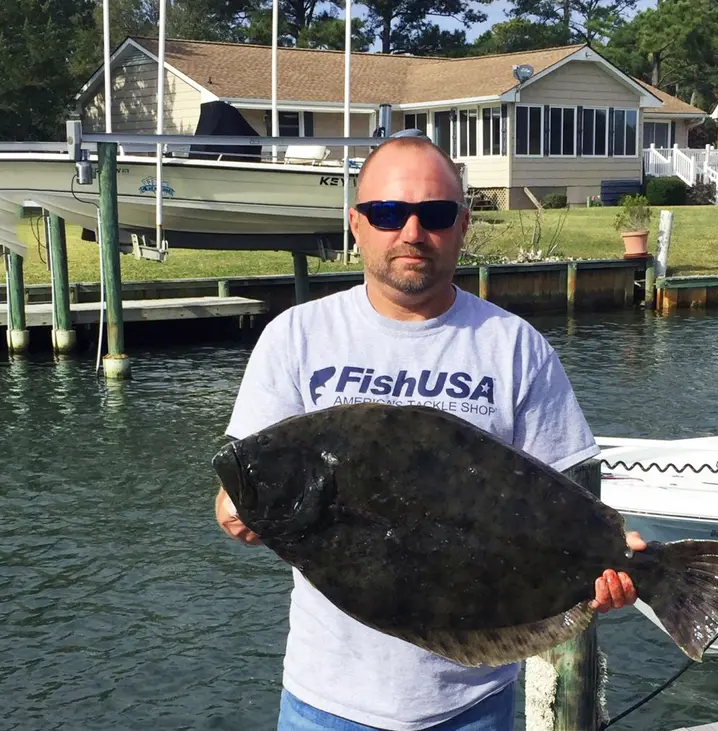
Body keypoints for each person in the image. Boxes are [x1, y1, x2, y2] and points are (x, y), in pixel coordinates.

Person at [214, 134, 646, 731]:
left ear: (463, 226)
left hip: (471, 704)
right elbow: (244, 475)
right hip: (326, 702)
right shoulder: (295, 338)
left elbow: (567, 492)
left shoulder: (516, 347)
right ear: (357, 225)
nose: (412, 232)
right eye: (389, 213)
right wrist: (234, 505)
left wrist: (614, 558)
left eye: (435, 214)